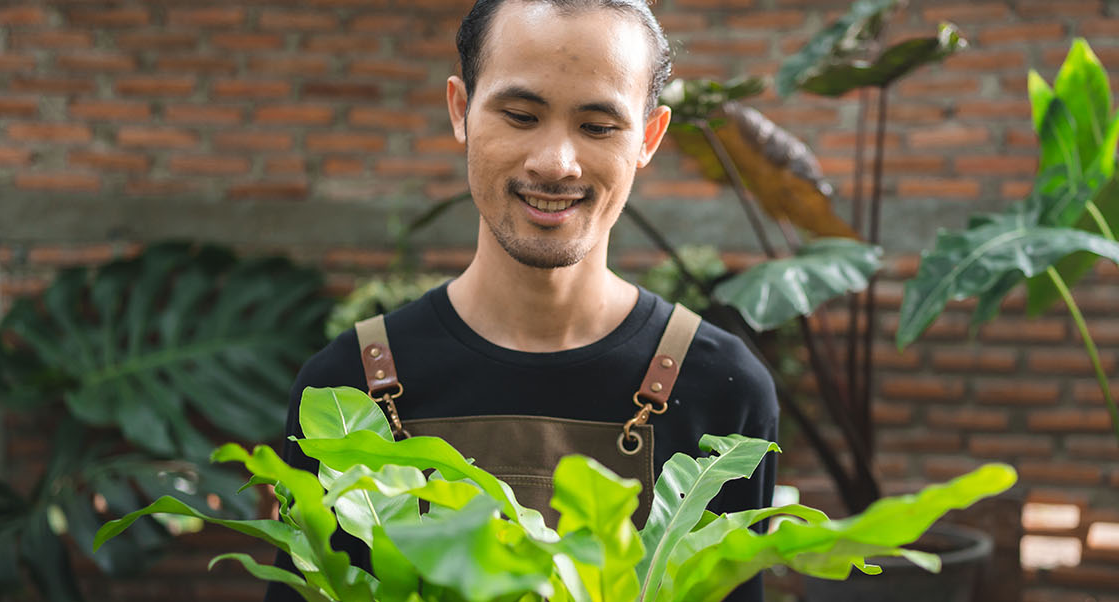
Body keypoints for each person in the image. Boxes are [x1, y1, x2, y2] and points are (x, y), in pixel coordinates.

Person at [262, 1, 779, 601]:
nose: (555, 164)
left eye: (598, 127)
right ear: (461, 110)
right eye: (520, 115)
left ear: (649, 137)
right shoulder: (345, 386)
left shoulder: (723, 387)